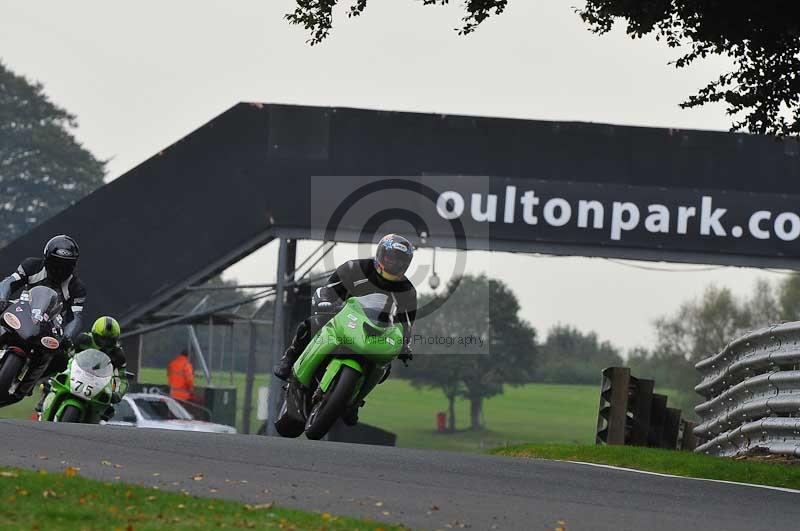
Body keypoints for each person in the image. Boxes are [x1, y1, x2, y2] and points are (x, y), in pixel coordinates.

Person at [273, 233, 417, 424]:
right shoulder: (354, 268)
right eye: (391, 257)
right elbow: (327, 291)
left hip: (375, 332)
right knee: (310, 323)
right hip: (341, 318)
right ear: (381, 254)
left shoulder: (407, 290)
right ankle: (289, 358)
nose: (394, 263)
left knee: (386, 364)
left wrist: (405, 344)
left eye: (400, 261)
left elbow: (406, 323)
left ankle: (355, 400)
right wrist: (324, 302)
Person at [0, 235, 86, 405]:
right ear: (47, 258)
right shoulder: (31, 265)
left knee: (62, 357)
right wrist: (2, 298)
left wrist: (67, 336)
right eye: (56, 264)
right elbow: (9, 282)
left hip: (50, 324)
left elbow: (75, 317)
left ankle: (29, 382)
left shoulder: (77, 287)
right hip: (22, 310)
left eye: (65, 266)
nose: (60, 270)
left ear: (73, 266)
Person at [35, 316, 128, 420]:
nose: (104, 343)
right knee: (50, 381)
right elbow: (68, 354)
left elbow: (121, 377)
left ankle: (95, 422)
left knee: (109, 409)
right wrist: (63, 350)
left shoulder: (118, 354)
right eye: (102, 339)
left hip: (98, 382)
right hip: (77, 372)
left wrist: (118, 393)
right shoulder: (84, 339)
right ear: (94, 334)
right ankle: (44, 399)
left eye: (108, 341)